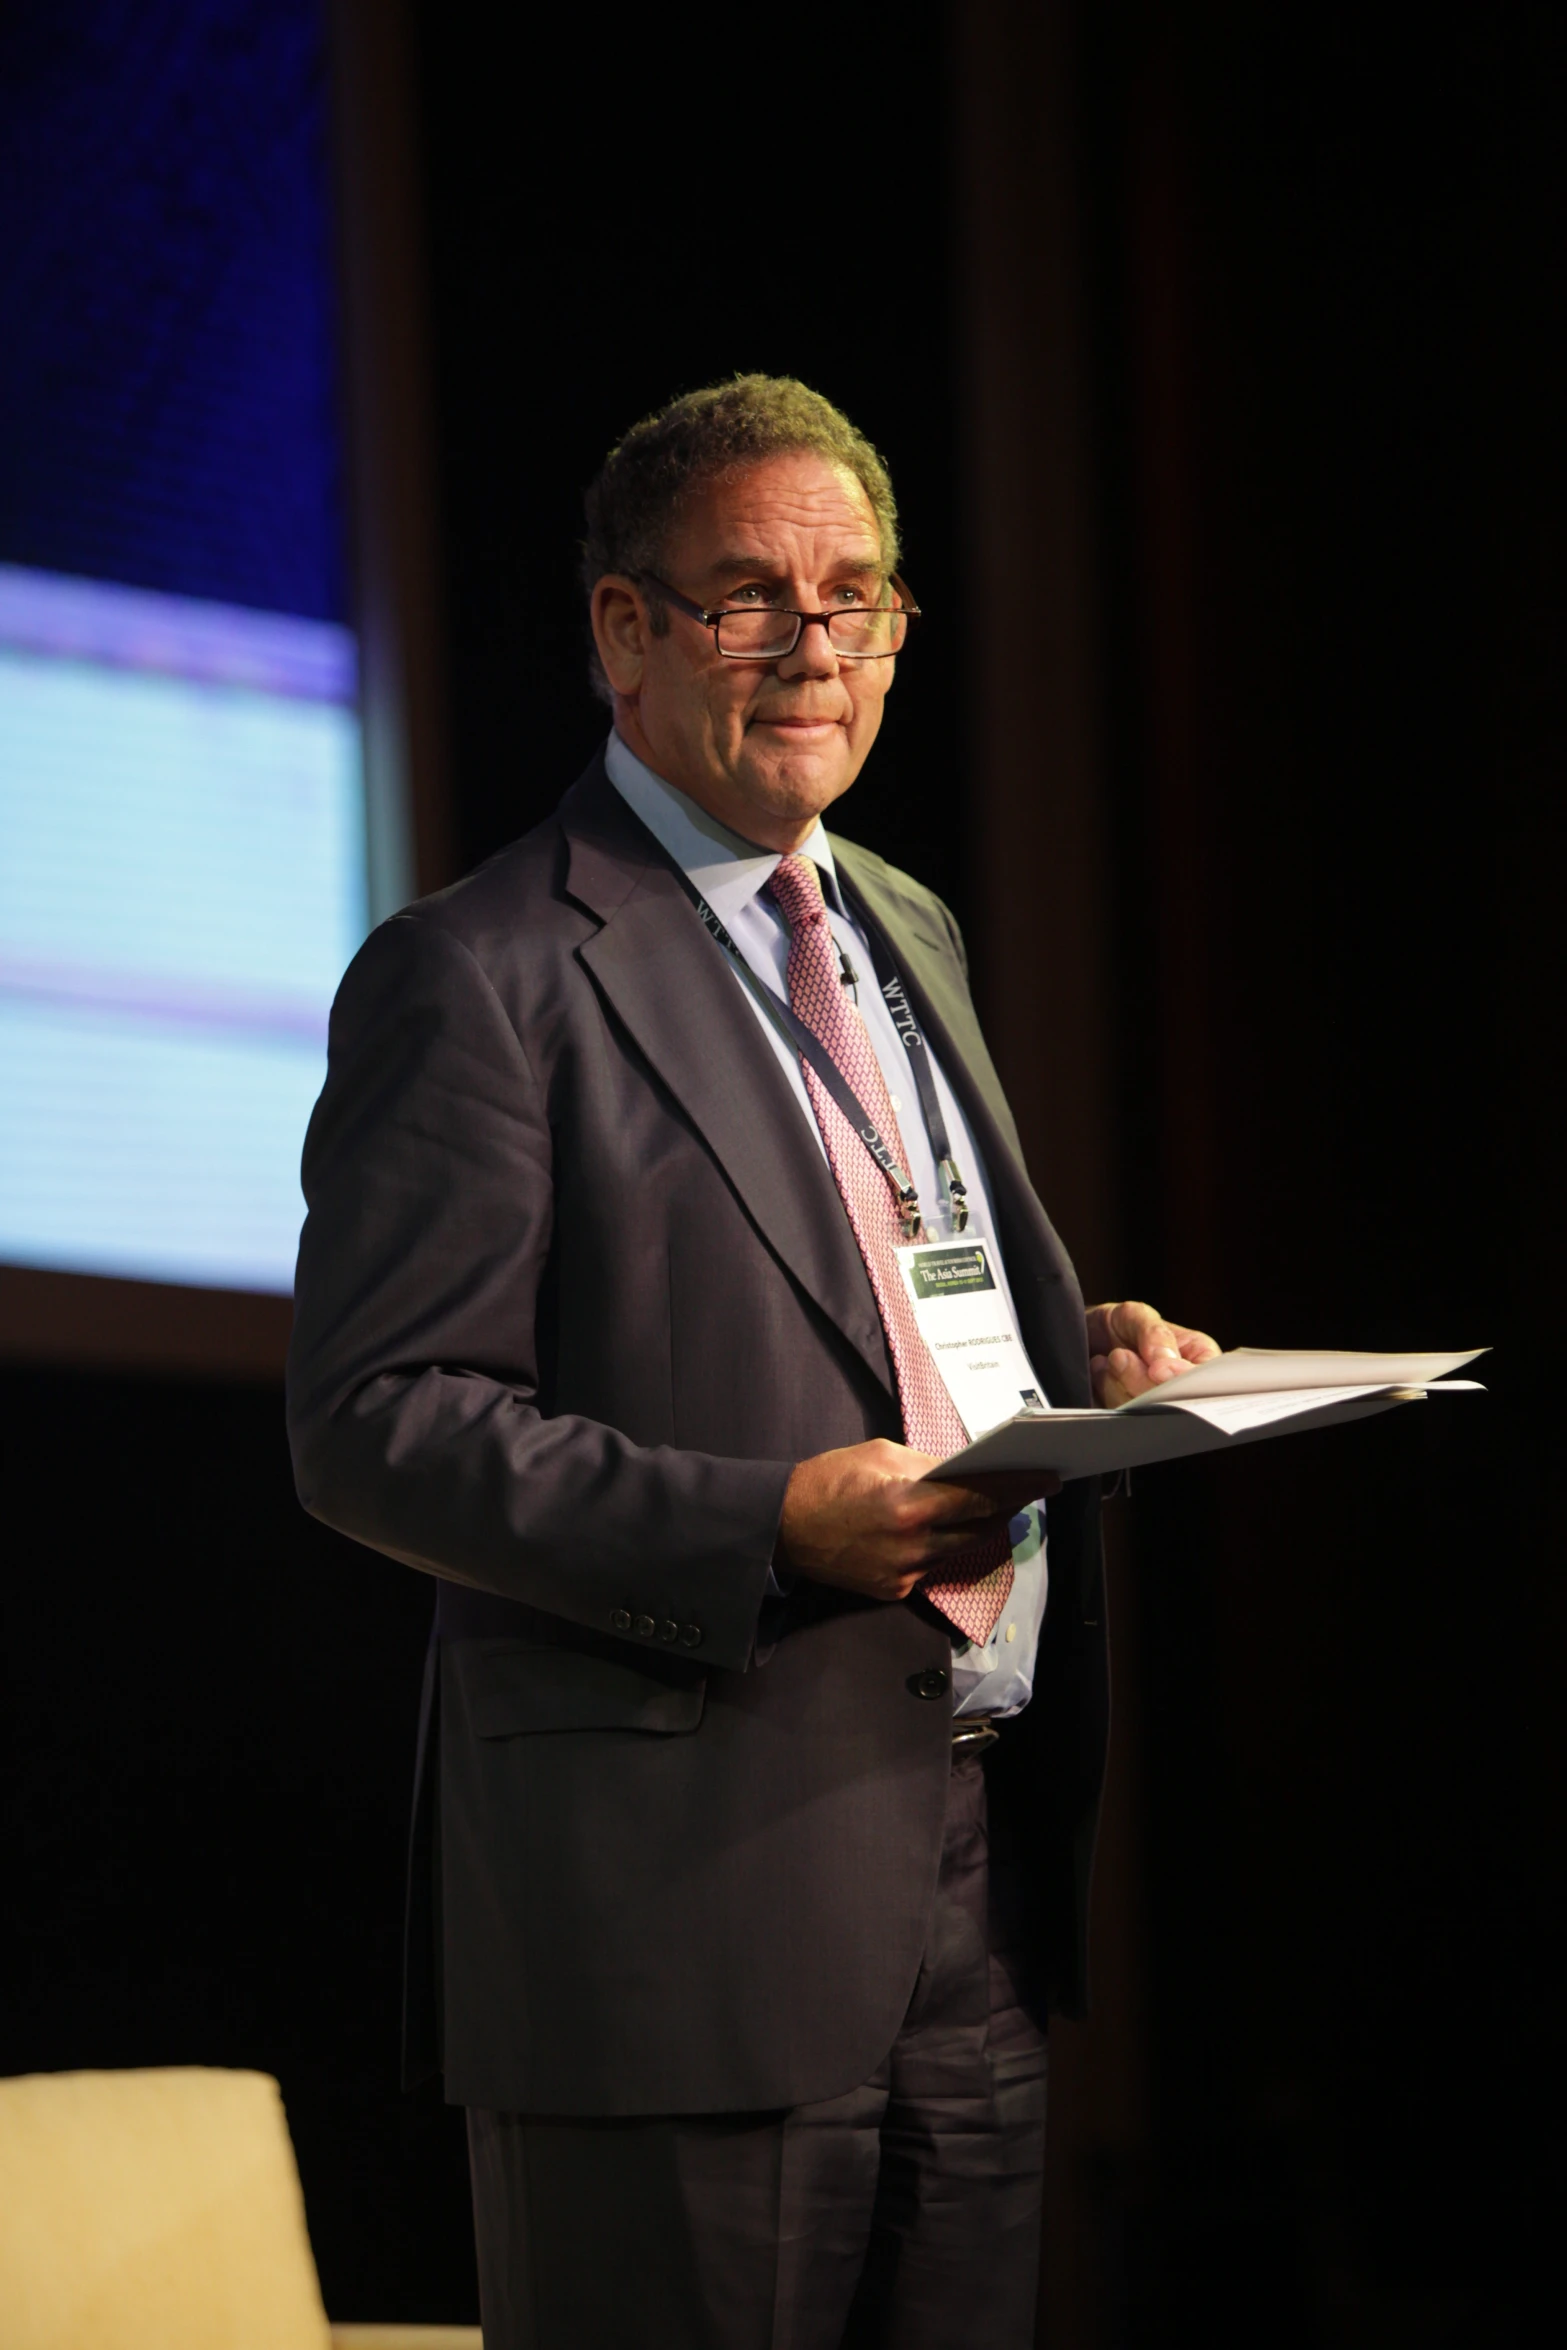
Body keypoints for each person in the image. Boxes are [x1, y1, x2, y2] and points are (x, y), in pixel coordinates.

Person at [286, 374, 1217, 2349]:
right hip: (672, 1913)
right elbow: (375, 1424)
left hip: (977, 1876)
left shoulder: (902, 920)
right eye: (748, 597)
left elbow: (892, 1278)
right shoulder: (480, 974)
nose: (816, 643)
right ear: (624, 632)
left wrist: (1082, 1364)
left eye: (857, 594)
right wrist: (762, 1522)